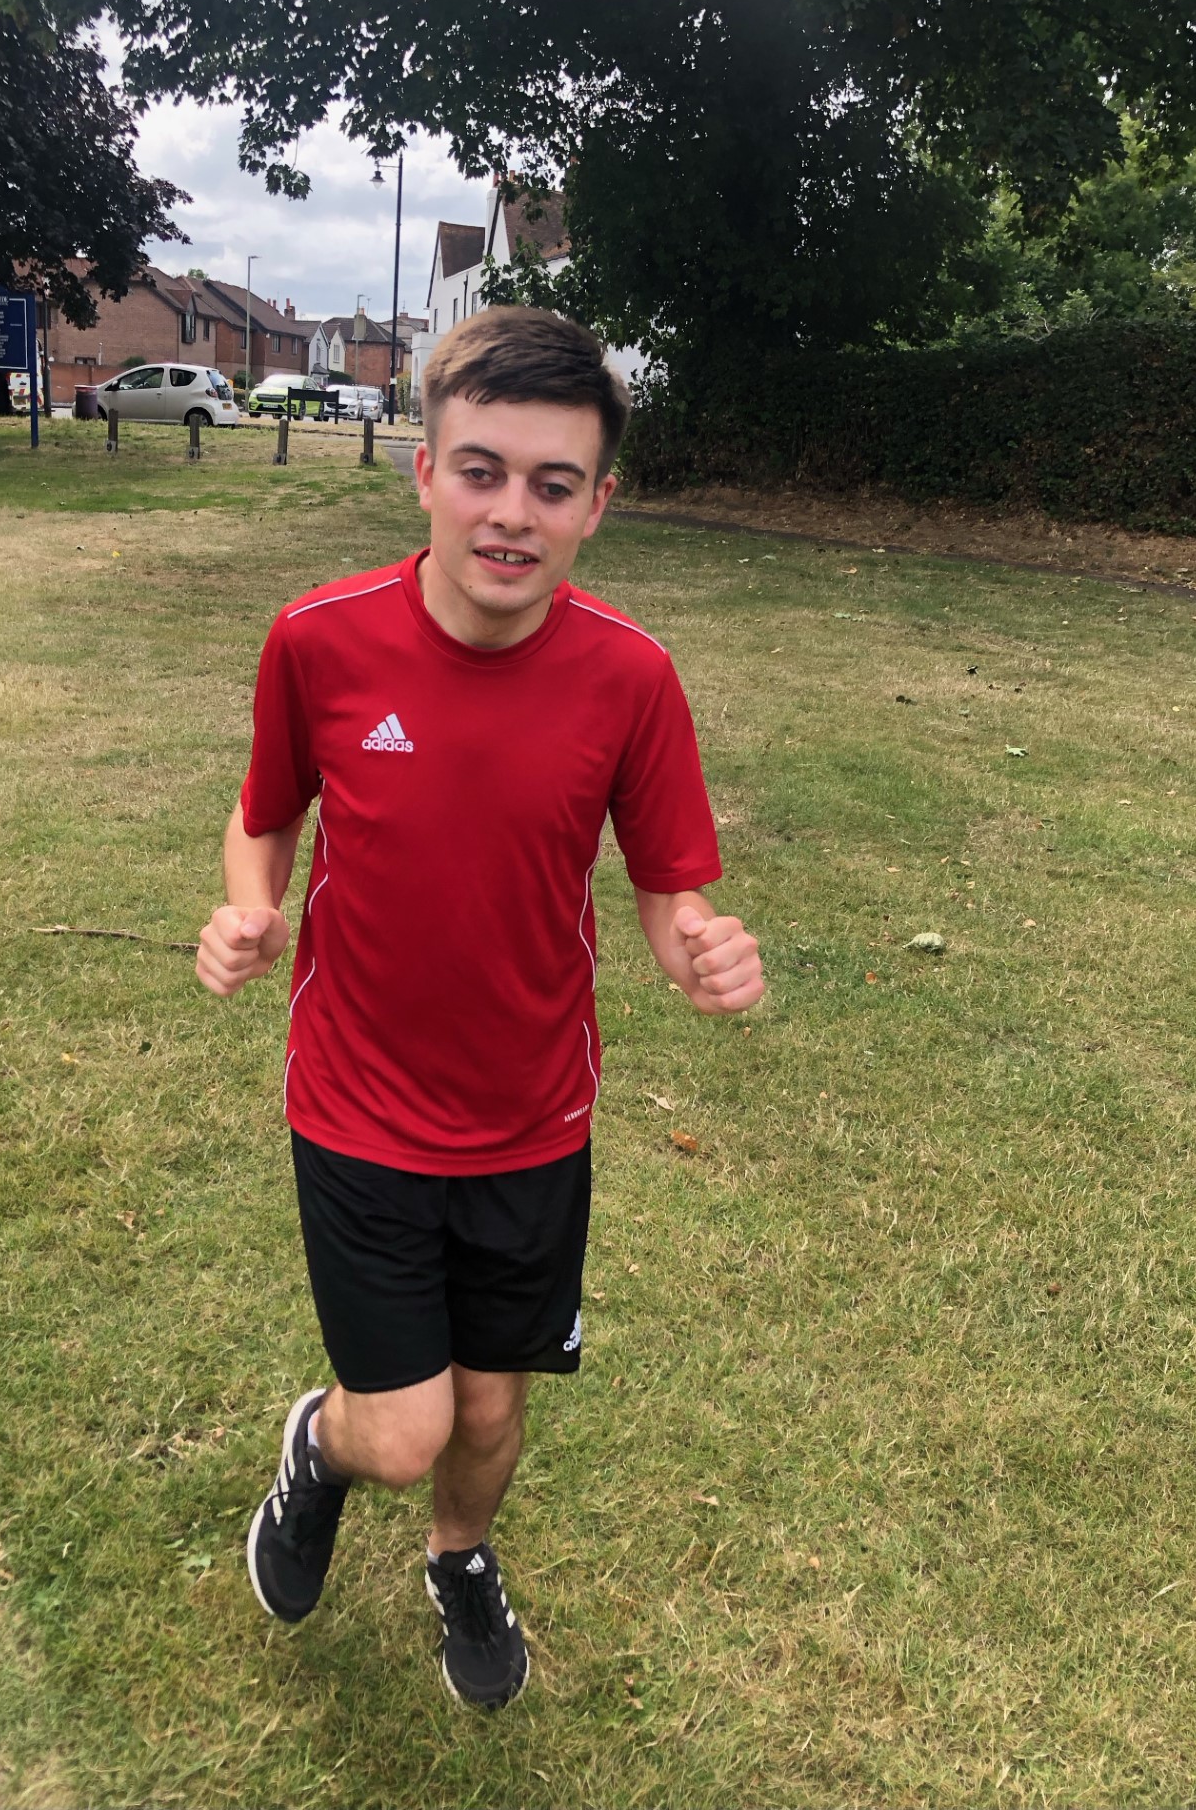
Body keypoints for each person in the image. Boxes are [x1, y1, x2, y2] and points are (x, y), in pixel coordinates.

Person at [195, 304, 764, 1710]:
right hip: (357, 1104)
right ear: (426, 472)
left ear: (598, 506)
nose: (512, 514)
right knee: (403, 1430)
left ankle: (460, 1559)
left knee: (493, 1416)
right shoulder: (320, 642)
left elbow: (667, 879)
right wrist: (249, 907)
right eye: (482, 471)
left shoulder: (631, 676)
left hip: (530, 1118)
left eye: (552, 486)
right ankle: (320, 1454)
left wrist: (696, 946)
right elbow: (265, 815)